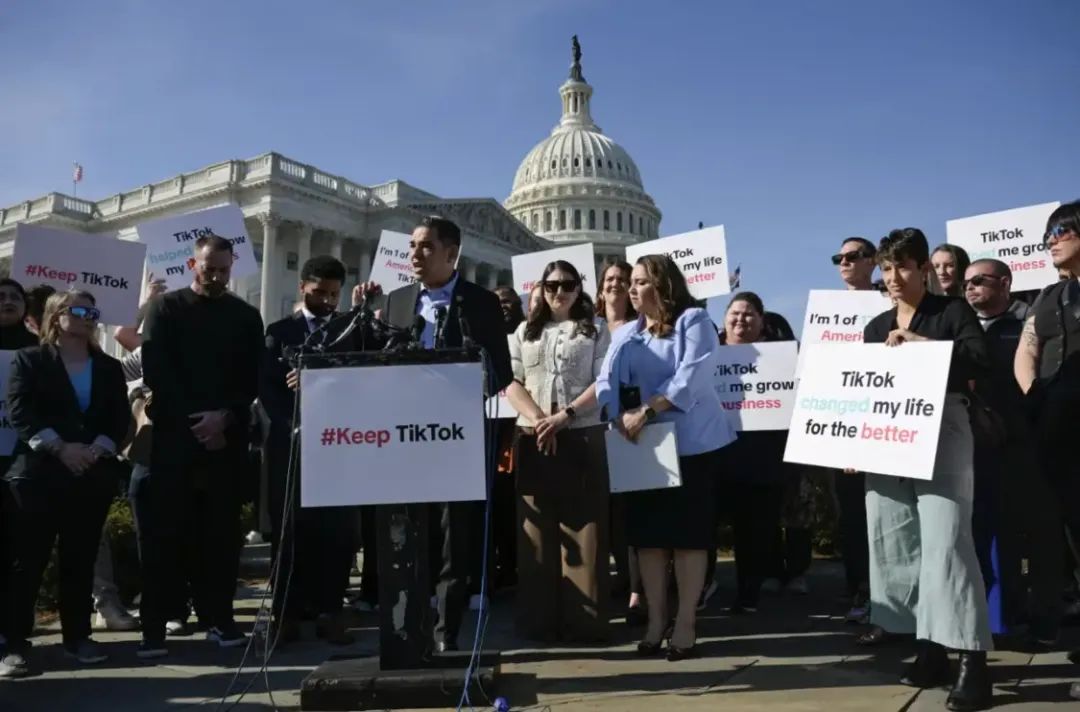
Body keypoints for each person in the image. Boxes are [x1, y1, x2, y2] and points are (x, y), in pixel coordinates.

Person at [357, 216, 513, 653]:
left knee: (452, 539)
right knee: (404, 532)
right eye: (412, 246)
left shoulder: (479, 303)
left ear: (451, 253)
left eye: (426, 247)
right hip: (403, 438)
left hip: (456, 437)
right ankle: (408, 627)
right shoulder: (396, 302)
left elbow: (500, 371)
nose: (414, 255)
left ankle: (447, 632)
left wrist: (460, 382)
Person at [862, 228, 992, 711]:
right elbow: (862, 391)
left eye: (902, 267)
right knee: (900, 545)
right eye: (886, 268)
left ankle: (972, 661)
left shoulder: (950, 313)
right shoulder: (875, 327)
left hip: (943, 432)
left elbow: (982, 361)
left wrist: (922, 345)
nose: (893, 278)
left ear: (922, 269)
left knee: (948, 544)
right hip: (888, 445)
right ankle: (930, 646)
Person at [596, 254, 737, 661]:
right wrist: (616, 412)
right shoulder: (627, 334)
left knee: (688, 539)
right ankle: (657, 620)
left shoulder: (693, 321)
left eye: (640, 282)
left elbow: (691, 376)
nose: (631, 289)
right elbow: (606, 379)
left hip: (691, 446)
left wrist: (648, 409)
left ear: (662, 285)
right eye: (630, 282)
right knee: (649, 541)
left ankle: (686, 621)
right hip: (644, 450)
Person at [138, 234, 264, 658]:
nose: (216, 276)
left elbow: (251, 377)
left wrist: (224, 417)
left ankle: (219, 618)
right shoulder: (165, 309)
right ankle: (155, 626)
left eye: (224, 270)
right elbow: (158, 371)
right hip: (175, 440)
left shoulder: (246, 316)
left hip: (225, 443)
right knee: (166, 534)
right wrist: (198, 422)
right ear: (194, 265)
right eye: (209, 268)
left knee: (221, 538)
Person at [0, 290, 131, 677]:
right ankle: (14, 643)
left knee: (80, 559)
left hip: (90, 475)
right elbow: (21, 410)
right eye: (79, 310)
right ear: (57, 316)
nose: (89, 317)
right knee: (29, 561)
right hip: (38, 476)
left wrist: (95, 449)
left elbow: (118, 416)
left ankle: (78, 638)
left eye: (93, 311)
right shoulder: (31, 359)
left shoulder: (107, 366)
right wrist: (60, 448)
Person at [507, 260, 611, 642]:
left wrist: (564, 416)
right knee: (535, 531)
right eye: (551, 286)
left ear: (579, 288)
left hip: (580, 432)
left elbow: (604, 382)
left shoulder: (596, 330)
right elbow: (512, 382)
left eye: (567, 285)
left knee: (584, 527)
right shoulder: (523, 332)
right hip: (534, 435)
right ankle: (539, 621)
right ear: (541, 289)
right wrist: (539, 419)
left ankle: (584, 623)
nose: (558, 293)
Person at [261, 256, 356, 645]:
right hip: (291, 445)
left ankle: (330, 610)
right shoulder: (279, 332)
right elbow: (267, 389)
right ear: (303, 287)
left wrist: (320, 381)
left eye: (334, 295)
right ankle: (285, 613)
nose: (328, 302)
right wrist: (293, 424)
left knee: (335, 534)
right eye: (319, 293)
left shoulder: (349, 330)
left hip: (337, 446)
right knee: (288, 532)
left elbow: (357, 381)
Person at [1013, 200, 1080, 701]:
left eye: (1060, 231)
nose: (1051, 241)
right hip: (1056, 431)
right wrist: (1033, 392)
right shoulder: (1048, 297)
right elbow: (1027, 349)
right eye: (1047, 235)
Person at [963, 259, 1050, 641]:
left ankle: (1017, 616)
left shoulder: (1027, 327)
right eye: (967, 282)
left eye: (979, 281)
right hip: (969, 448)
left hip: (1020, 446)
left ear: (1005, 283)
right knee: (978, 533)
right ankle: (984, 618)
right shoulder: (962, 329)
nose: (970, 287)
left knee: (1018, 535)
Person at [715, 293, 805, 610]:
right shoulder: (708, 353)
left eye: (749, 314)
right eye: (735, 313)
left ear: (762, 321)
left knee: (756, 527)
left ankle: (748, 593)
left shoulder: (779, 357)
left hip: (762, 454)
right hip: (717, 452)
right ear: (724, 318)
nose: (741, 320)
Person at [830, 238, 875, 624]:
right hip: (842, 423)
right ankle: (859, 586)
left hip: (881, 415)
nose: (844, 262)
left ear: (872, 262)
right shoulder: (828, 312)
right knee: (851, 515)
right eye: (839, 258)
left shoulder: (887, 302)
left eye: (852, 256)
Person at [594, 261, 641, 619]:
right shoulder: (589, 328)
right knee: (600, 511)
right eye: (609, 279)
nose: (615, 285)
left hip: (626, 425)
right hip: (591, 429)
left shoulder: (640, 329)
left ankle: (636, 587)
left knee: (629, 514)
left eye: (623, 281)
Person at [491, 286, 525, 588]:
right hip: (492, 434)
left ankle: (516, 564)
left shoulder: (526, 337)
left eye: (510, 304)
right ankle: (501, 565)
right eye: (498, 303)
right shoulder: (482, 339)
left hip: (519, 430)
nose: (504, 308)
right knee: (498, 506)